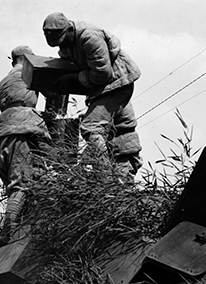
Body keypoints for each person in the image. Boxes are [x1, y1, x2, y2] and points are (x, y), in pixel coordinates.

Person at [42, 12, 143, 182]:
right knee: (122, 128)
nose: (61, 47)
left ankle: (105, 179)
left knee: (91, 127)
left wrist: (75, 79)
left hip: (117, 83)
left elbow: (103, 73)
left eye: (62, 41)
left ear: (69, 30)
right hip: (105, 88)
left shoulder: (89, 37)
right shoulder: (68, 44)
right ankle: (122, 181)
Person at [0, 45, 52, 242]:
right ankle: (8, 233)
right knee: (22, 186)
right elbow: (54, 96)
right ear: (27, 59)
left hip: (2, 132)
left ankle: (19, 230)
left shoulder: (3, 82)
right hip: (23, 128)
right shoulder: (28, 73)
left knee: (16, 186)